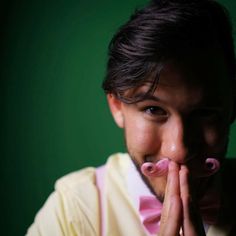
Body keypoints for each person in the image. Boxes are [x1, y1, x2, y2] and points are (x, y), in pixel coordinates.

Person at [27, 0, 236, 235]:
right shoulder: (72, 211)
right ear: (117, 107)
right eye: (153, 110)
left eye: (205, 112)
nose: (178, 151)